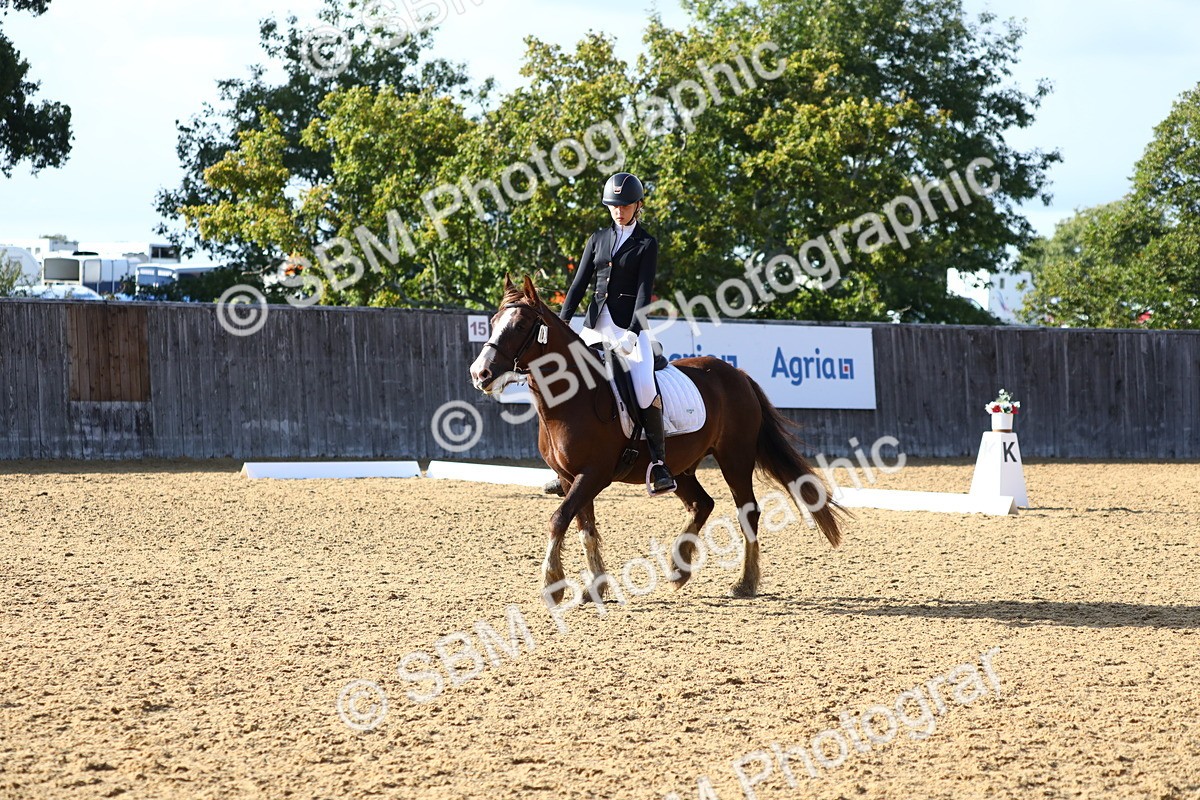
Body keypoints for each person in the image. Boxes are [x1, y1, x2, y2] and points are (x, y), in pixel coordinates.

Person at [557, 172, 676, 496]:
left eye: (624, 206)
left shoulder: (646, 243)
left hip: (629, 329)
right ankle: (564, 464)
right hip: (595, 326)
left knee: (642, 386)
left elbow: (643, 292)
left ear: (637, 205)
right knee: (567, 383)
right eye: (613, 206)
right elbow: (579, 284)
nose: (618, 211)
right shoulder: (597, 239)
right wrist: (563, 321)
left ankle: (660, 463)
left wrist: (633, 333)